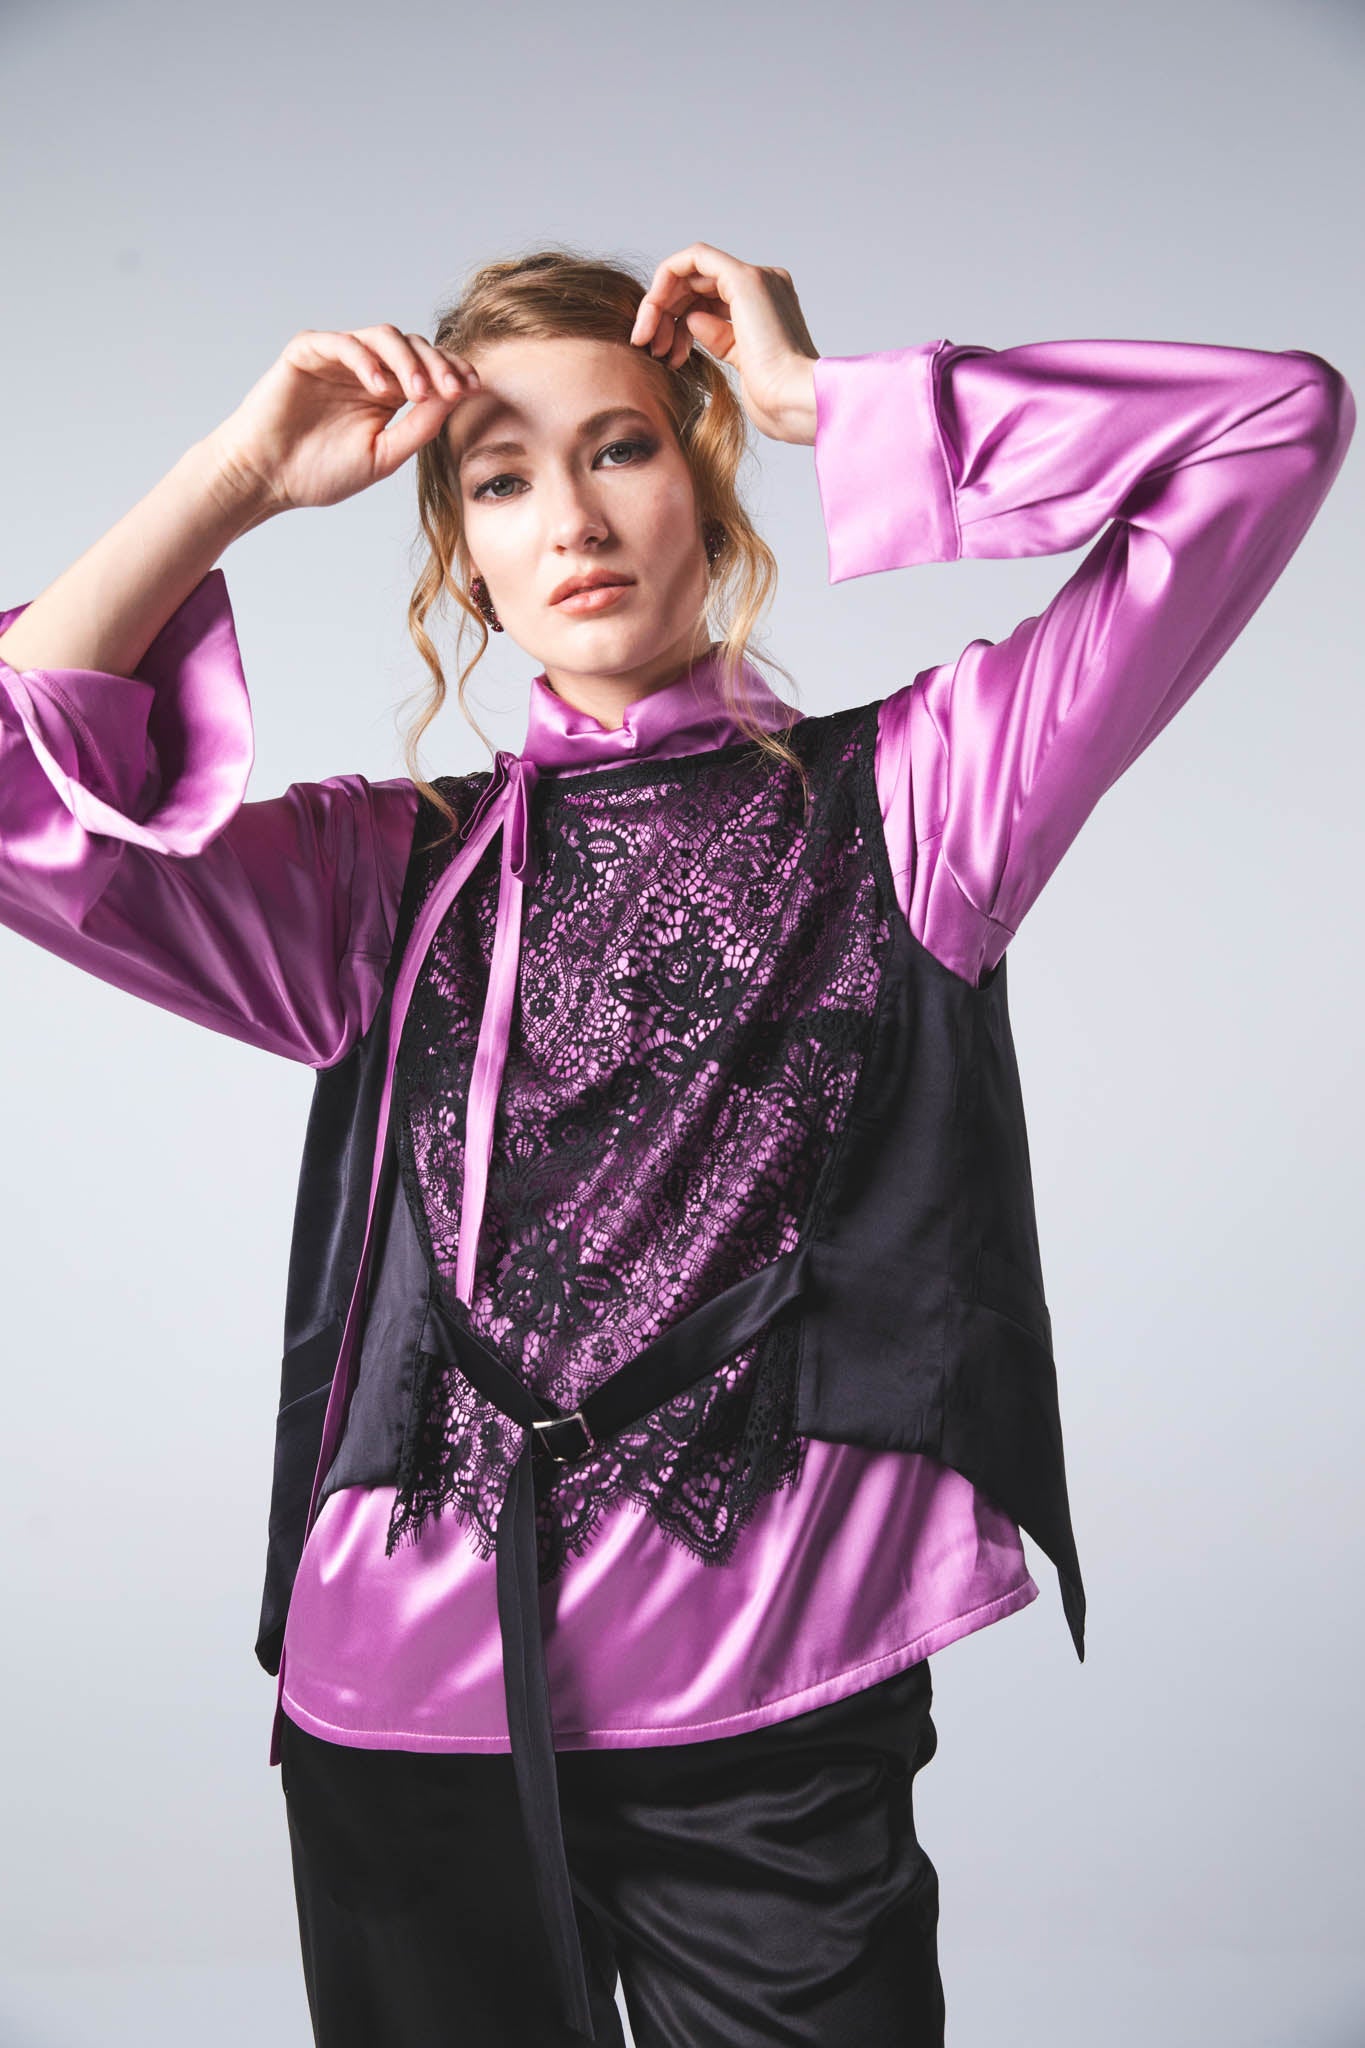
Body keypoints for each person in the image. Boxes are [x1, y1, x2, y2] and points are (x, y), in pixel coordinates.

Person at [0, 241, 1353, 2048]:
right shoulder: (377, 878)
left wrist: (825, 402)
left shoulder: (921, 797)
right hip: (405, 1716)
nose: (571, 516)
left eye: (623, 448)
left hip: (770, 1709)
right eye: (500, 480)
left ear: (709, 492)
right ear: (464, 565)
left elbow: (1270, 429)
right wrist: (237, 476)